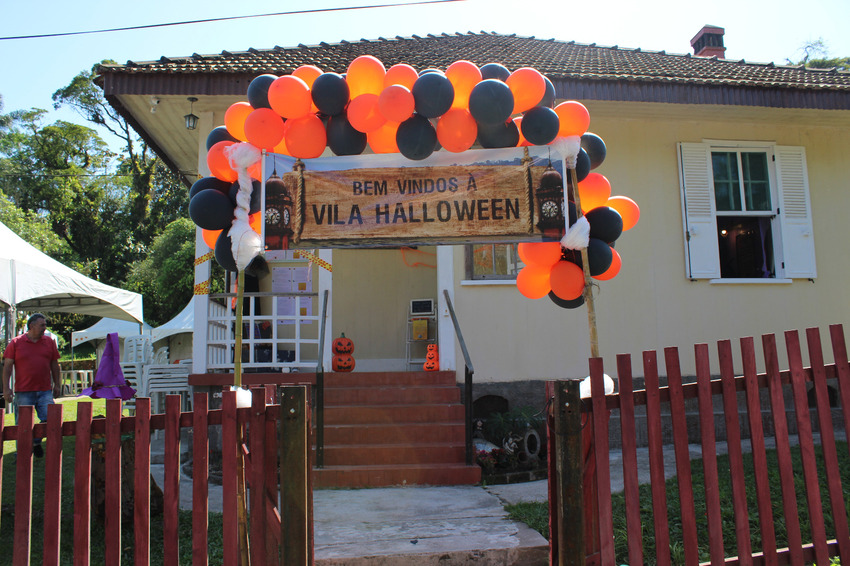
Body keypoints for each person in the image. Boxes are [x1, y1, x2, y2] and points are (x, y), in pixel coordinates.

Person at [2, 313, 62, 458]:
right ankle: (21, 454)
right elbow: (8, 367)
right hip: (23, 391)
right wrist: (6, 388)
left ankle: (35, 441)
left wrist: (57, 385)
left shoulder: (49, 342)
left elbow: (55, 365)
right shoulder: (16, 343)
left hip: (44, 390)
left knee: (51, 418)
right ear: (31, 326)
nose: (45, 328)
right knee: (22, 425)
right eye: (42, 325)